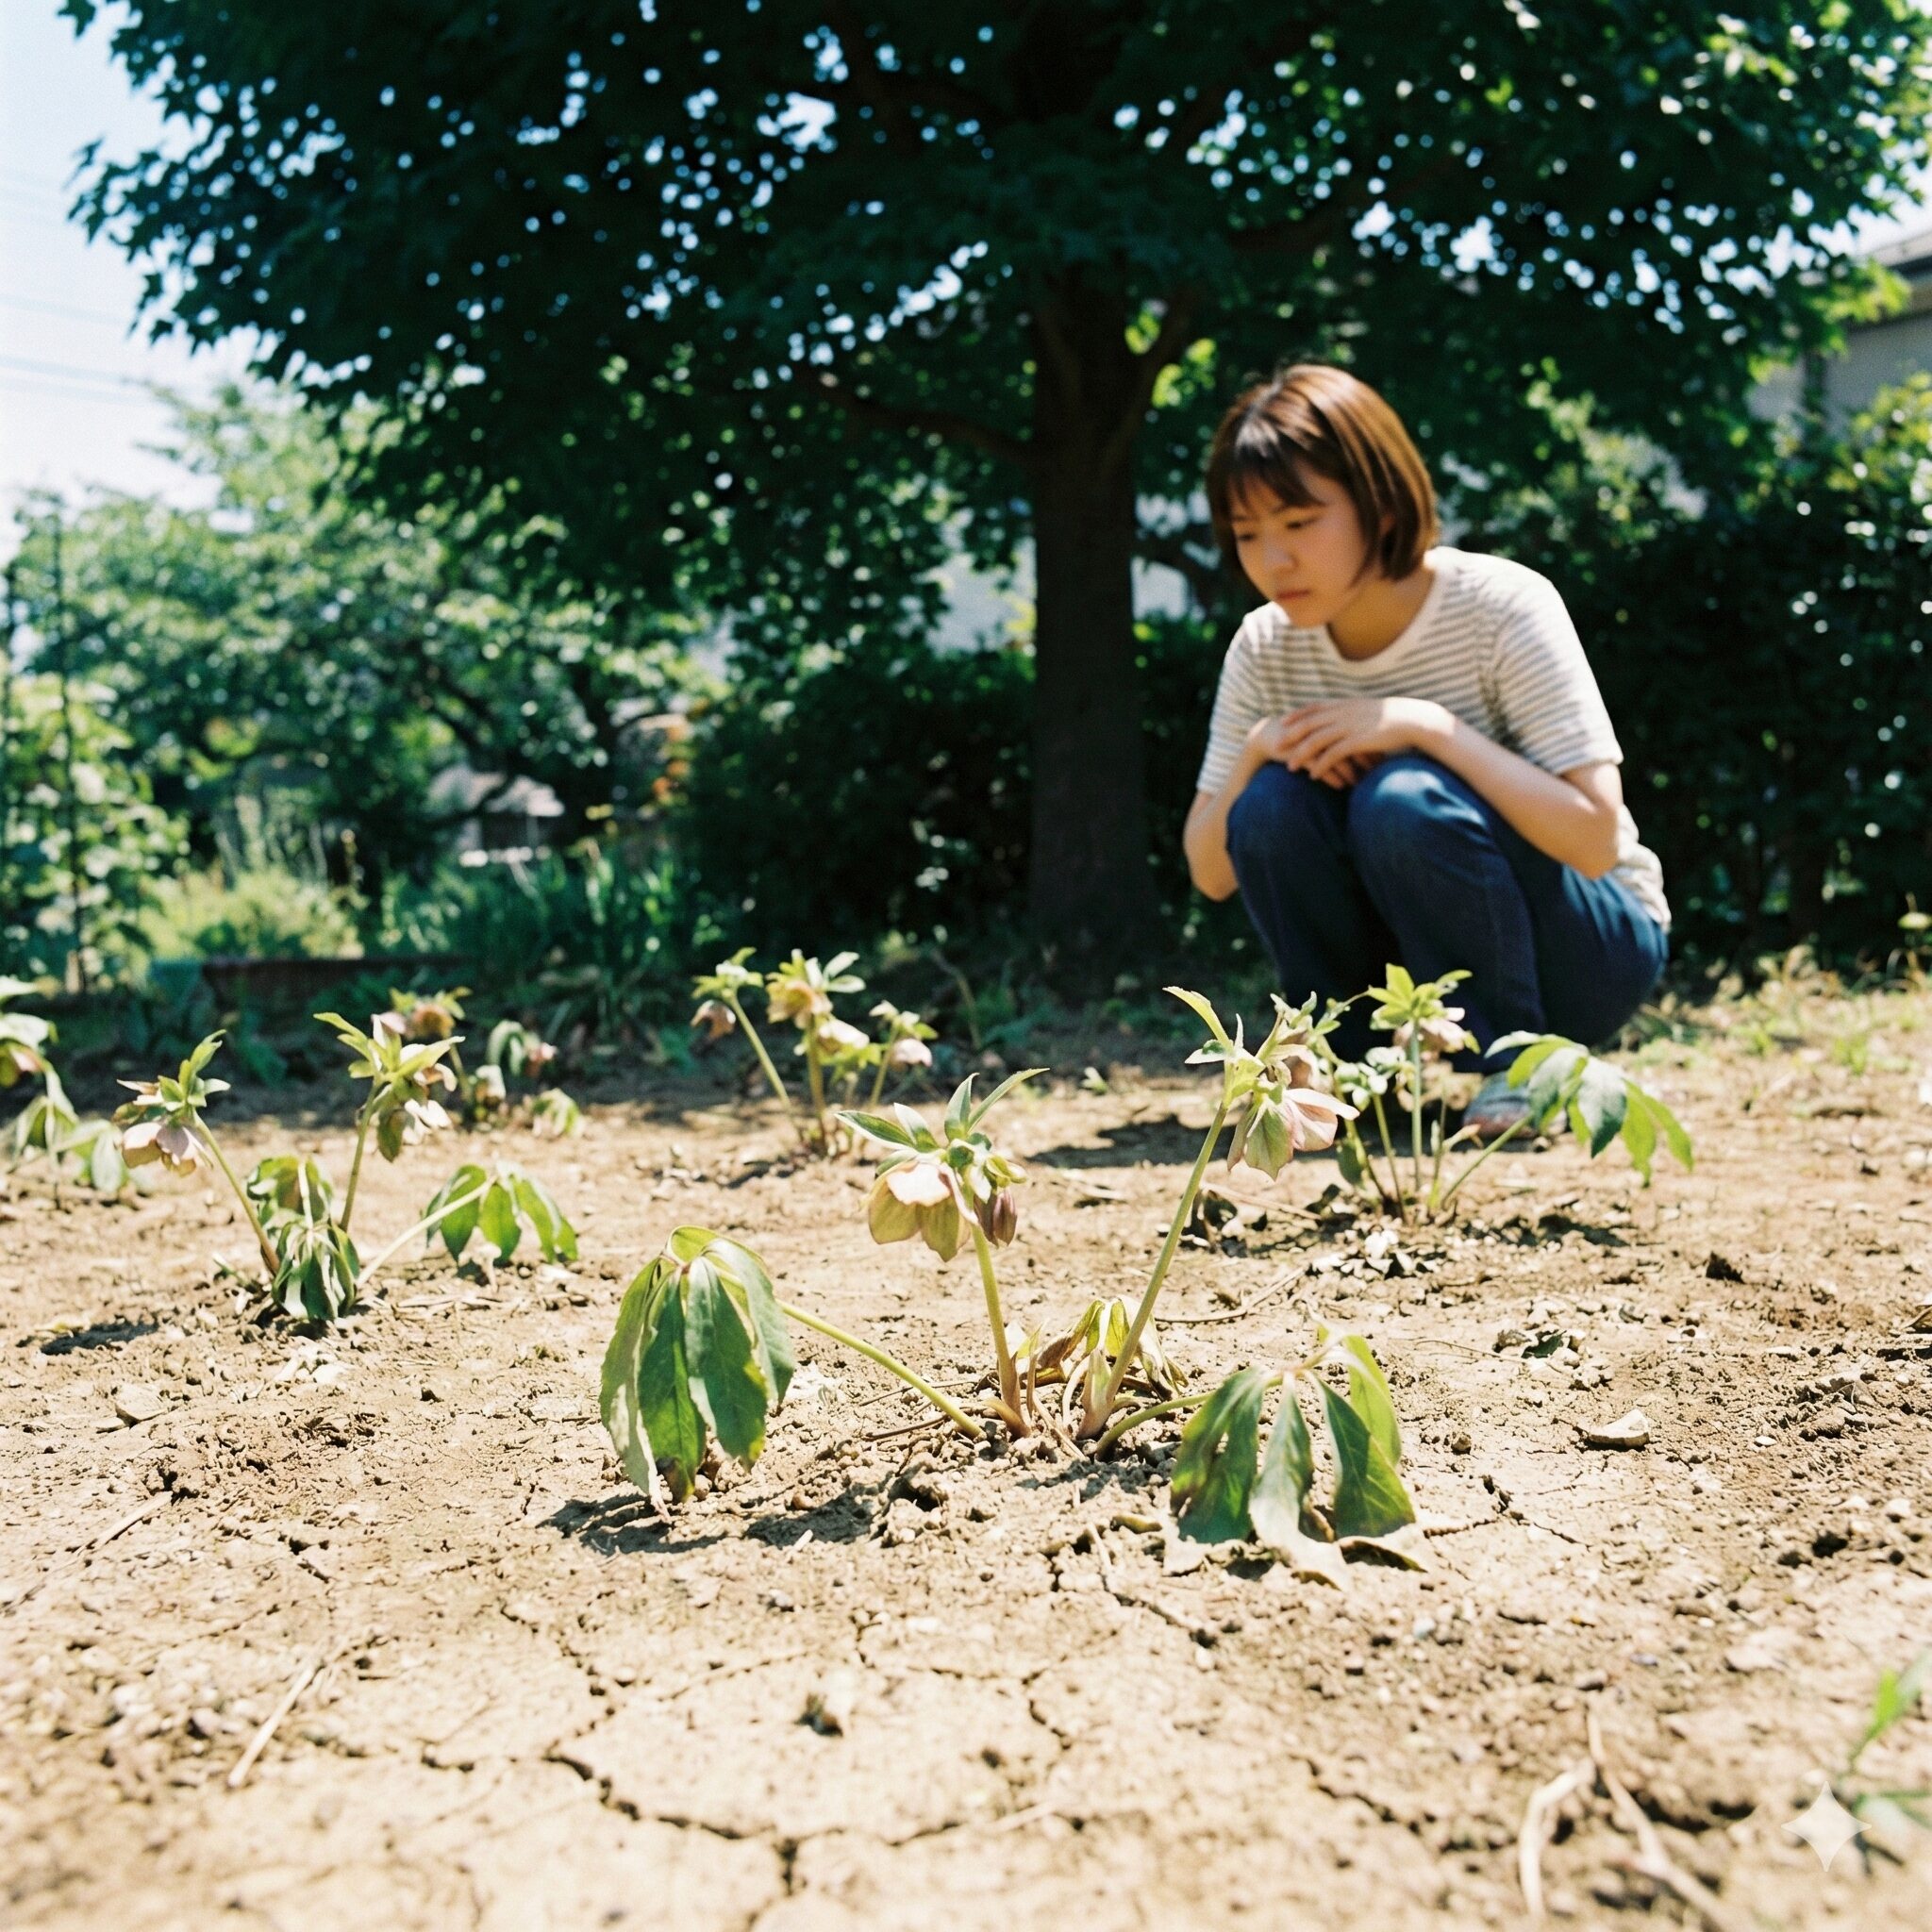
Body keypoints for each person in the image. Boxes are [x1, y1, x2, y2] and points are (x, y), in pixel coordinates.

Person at [1182, 363, 1668, 1137]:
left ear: (1379, 504)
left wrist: (1426, 727)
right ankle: (1342, 1078)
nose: (1273, 561)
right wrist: (1255, 751)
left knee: (1405, 795)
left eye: (1299, 523)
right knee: (1270, 801)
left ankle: (1519, 1064)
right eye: (1247, 535)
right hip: (1408, 967)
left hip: (1588, 953)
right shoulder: (1266, 648)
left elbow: (1596, 838)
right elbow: (1210, 872)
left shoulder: (1502, 606)